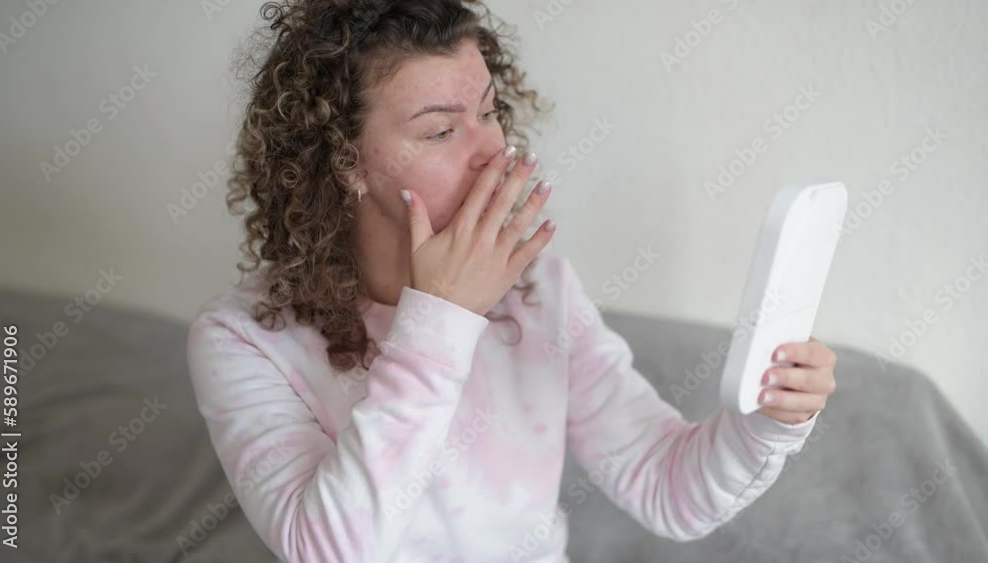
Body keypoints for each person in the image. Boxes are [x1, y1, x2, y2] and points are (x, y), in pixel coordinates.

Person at [185, 1, 838, 561]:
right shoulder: (242, 339)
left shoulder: (539, 290)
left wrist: (766, 423)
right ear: (346, 161)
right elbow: (329, 550)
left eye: (489, 111)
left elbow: (669, 489)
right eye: (441, 130)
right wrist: (438, 320)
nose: (493, 152)